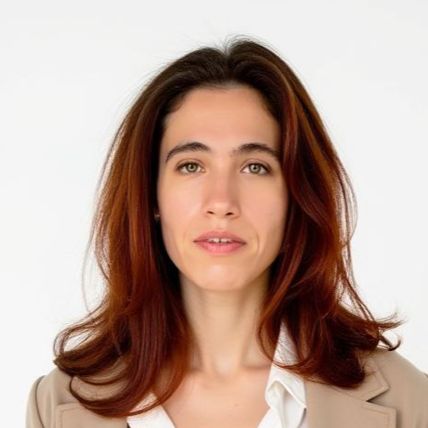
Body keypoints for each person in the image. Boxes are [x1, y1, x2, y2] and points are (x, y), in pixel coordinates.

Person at [26, 36, 428, 428]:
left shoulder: (409, 401)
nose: (221, 201)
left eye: (255, 167)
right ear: (151, 194)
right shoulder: (58, 405)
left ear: (297, 196)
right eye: (191, 165)